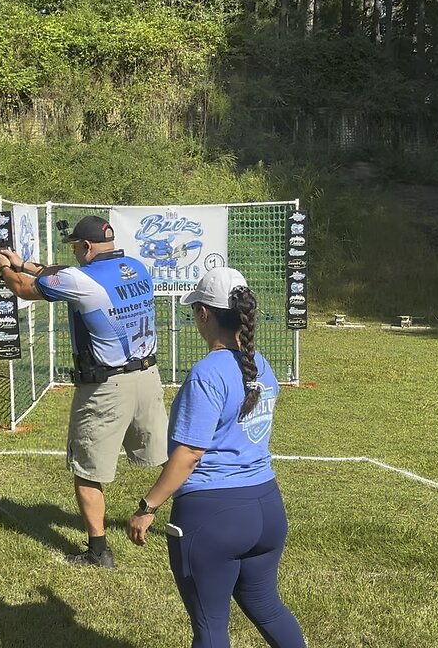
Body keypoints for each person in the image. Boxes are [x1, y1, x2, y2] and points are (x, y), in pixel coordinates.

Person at [126, 267, 306, 648]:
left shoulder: (207, 373)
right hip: (267, 508)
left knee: (210, 627)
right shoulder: (262, 366)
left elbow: (190, 453)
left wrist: (148, 505)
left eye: (195, 312)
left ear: (205, 314)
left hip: (214, 515)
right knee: (267, 606)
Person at [0, 215, 168, 569]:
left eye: (76, 247)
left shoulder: (79, 278)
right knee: (170, 458)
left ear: (86, 247)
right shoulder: (135, 267)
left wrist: (3, 271)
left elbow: (27, 288)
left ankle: (99, 551)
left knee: (88, 469)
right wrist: (24, 262)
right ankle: (192, 521)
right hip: (148, 376)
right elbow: (61, 272)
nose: (74, 252)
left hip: (106, 386)